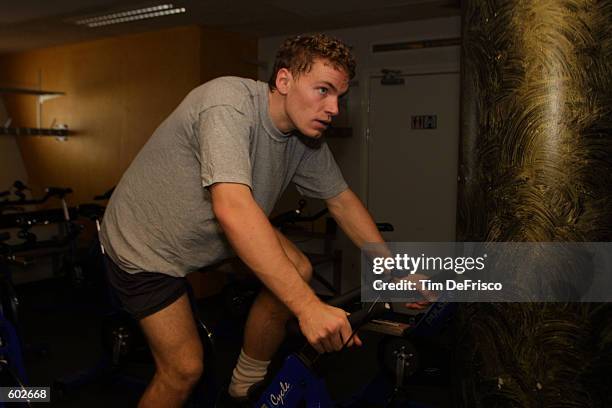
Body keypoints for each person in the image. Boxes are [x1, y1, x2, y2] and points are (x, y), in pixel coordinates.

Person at [100, 33, 414, 408]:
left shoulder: (305, 138)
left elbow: (342, 201)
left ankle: (244, 385)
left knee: (297, 269)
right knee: (183, 370)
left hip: (208, 235)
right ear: (284, 81)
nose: (333, 108)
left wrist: (394, 269)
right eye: (323, 90)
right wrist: (309, 308)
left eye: (338, 97)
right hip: (144, 247)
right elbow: (232, 208)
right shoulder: (228, 104)